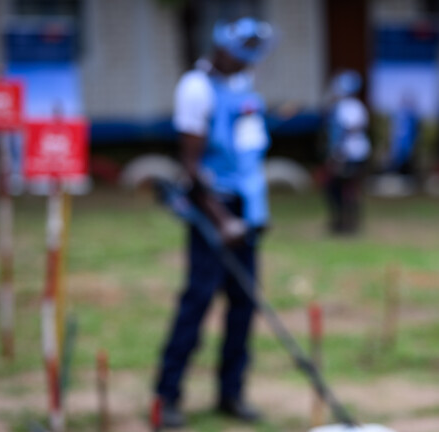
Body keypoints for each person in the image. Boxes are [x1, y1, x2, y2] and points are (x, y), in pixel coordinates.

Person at [153, 17, 275, 428]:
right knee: (198, 301)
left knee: (243, 305)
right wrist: (222, 220)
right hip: (212, 211)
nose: (247, 64)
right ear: (223, 49)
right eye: (242, 56)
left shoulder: (242, 83)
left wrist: (254, 214)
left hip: (247, 209)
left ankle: (231, 393)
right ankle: (167, 396)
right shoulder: (196, 88)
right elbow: (191, 164)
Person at [324, 70, 370, 234]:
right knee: (344, 188)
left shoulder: (348, 107)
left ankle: (346, 223)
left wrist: (337, 154)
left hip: (348, 154)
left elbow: (347, 130)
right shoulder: (356, 106)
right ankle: (345, 222)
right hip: (355, 153)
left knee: (341, 188)